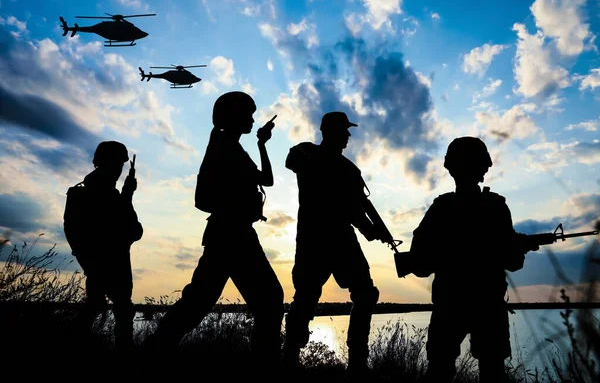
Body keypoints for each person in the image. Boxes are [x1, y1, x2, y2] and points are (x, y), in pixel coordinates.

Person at [147, 91, 284, 372]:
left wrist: (261, 144)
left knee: (199, 303)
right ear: (233, 116)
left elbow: (267, 180)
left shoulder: (233, 147)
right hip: (231, 235)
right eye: (248, 114)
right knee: (268, 301)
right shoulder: (221, 147)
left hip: (235, 235)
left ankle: (153, 352)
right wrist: (234, 206)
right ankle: (267, 367)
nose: (252, 118)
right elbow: (202, 199)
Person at [408, 136, 539, 383]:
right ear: (483, 168)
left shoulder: (441, 207)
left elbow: (419, 259)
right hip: (487, 303)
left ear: (451, 168)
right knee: (492, 373)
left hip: (449, 301)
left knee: (439, 370)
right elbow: (513, 263)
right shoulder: (495, 206)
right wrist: (521, 248)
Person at [282, 111, 391, 375]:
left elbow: (356, 209)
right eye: (344, 131)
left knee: (364, 294)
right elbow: (291, 160)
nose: (348, 136)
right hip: (315, 240)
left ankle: (356, 362)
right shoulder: (307, 153)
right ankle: (290, 358)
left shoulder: (348, 169)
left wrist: (374, 231)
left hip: (339, 239)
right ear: (329, 131)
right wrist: (369, 228)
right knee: (306, 299)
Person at [63, 140, 143, 353]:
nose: (119, 170)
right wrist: (127, 197)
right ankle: (124, 358)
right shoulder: (101, 195)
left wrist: (126, 196)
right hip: (107, 263)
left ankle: (72, 345)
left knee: (98, 305)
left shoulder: (88, 193)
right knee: (122, 310)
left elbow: (131, 230)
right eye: (117, 164)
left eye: (121, 165)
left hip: (101, 263)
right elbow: (132, 230)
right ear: (105, 163)